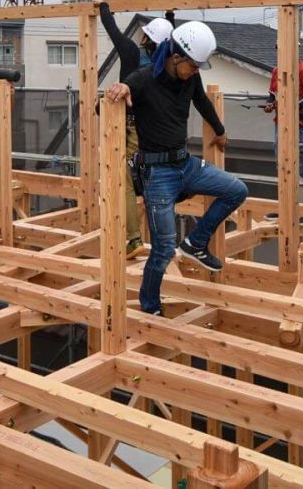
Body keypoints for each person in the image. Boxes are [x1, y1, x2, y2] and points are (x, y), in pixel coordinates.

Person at [105, 20, 248, 315]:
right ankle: (150, 307)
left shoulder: (189, 80)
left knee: (236, 190)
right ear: (175, 57)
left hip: (186, 165)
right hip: (157, 175)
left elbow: (203, 103)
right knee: (162, 250)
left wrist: (220, 131)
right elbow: (113, 99)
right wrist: (118, 89)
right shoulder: (143, 79)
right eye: (193, 66)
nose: (195, 72)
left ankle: (196, 242)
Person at [98, 0, 175, 257]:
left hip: (128, 128)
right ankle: (163, 243)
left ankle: (133, 240)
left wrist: (103, 6)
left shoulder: (131, 52)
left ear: (145, 38)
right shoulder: (165, 65)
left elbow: (112, 30)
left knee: (124, 181)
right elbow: (168, 41)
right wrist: (169, 15)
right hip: (155, 130)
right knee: (155, 180)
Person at [265, 61, 303, 212]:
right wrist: (270, 104)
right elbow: (272, 95)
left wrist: (289, 105)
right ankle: (286, 208)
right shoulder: (277, 70)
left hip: (300, 124)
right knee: (282, 166)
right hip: (281, 123)